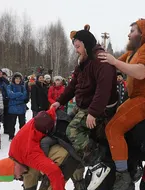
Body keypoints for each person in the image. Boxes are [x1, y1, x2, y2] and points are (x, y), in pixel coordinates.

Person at [97, 19, 145, 190]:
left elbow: (141, 72)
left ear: (143, 33)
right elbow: (110, 64)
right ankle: (132, 167)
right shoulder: (133, 52)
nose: (128, 34)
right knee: (116, 126)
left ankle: (123, 176)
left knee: (113, 128)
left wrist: (114, 61)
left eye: (132, 30)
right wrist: (94, 53)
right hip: (135, 98)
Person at [50, 25, 117, 174]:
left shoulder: (100, 61)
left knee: (72, 130)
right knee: (64, 123)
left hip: (99, 107)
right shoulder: (83, 61)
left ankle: (98, 159)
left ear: (86, 44)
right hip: (84, 104)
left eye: (78, 46)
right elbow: (74, 85)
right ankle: (78, 158)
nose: (76, 50)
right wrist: (60, 101)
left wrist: (93, 112)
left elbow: (103, 90)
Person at [7, 72, 27, 140]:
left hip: (21, 108)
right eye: (16, 78)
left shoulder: (23, 87)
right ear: (13, 79)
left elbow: (24, 96)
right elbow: (10, 95)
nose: (18, 80)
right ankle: (11, 136)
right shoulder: (10, 86)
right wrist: (19, 94)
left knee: (22, 123)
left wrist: (15, 96)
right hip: (13, 108)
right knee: (12, 123)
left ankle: (23, 135)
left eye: (19, 79)